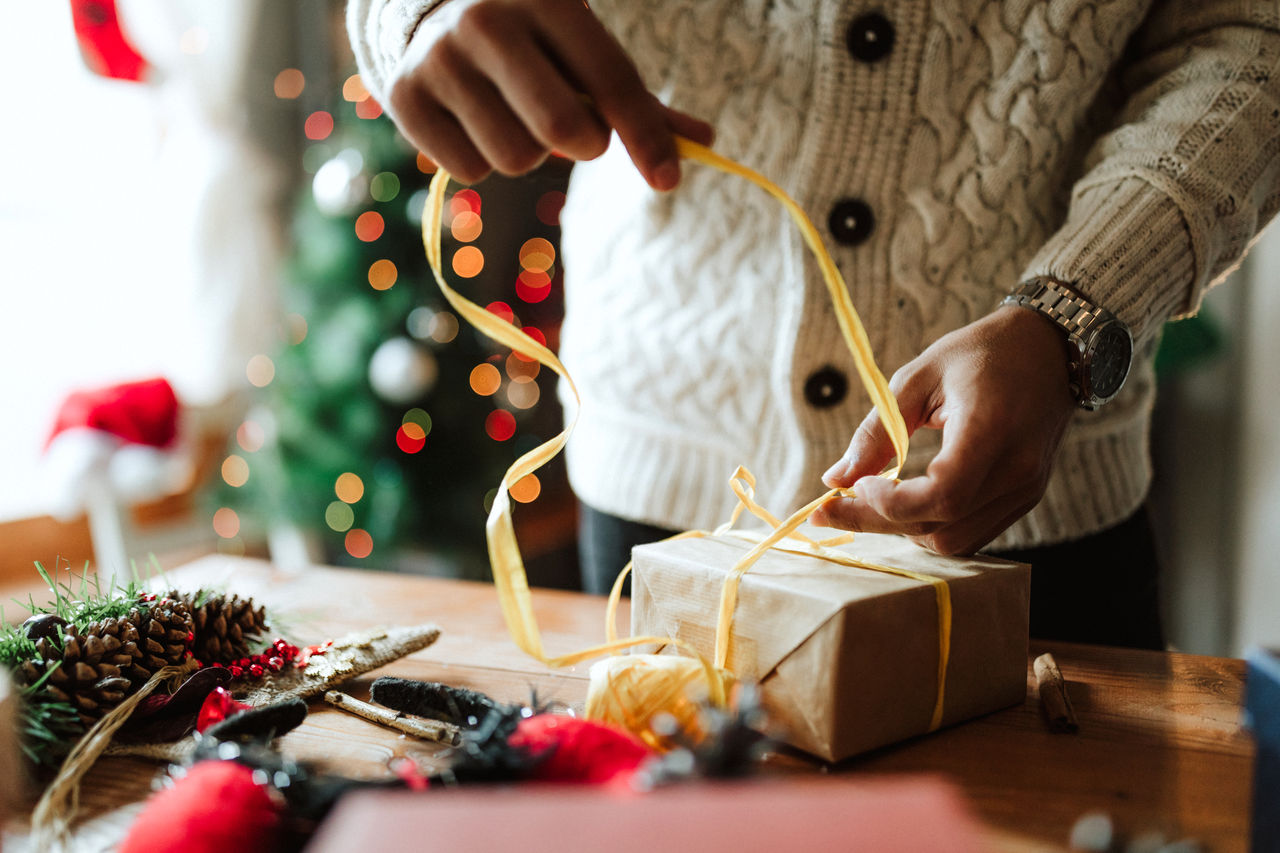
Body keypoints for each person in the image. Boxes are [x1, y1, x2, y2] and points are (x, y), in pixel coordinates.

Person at [348, 0, 1280, 649]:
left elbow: (1252, 30)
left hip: (1037, 509)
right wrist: (421, 10)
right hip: (660, 481)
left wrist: (1076, 309)